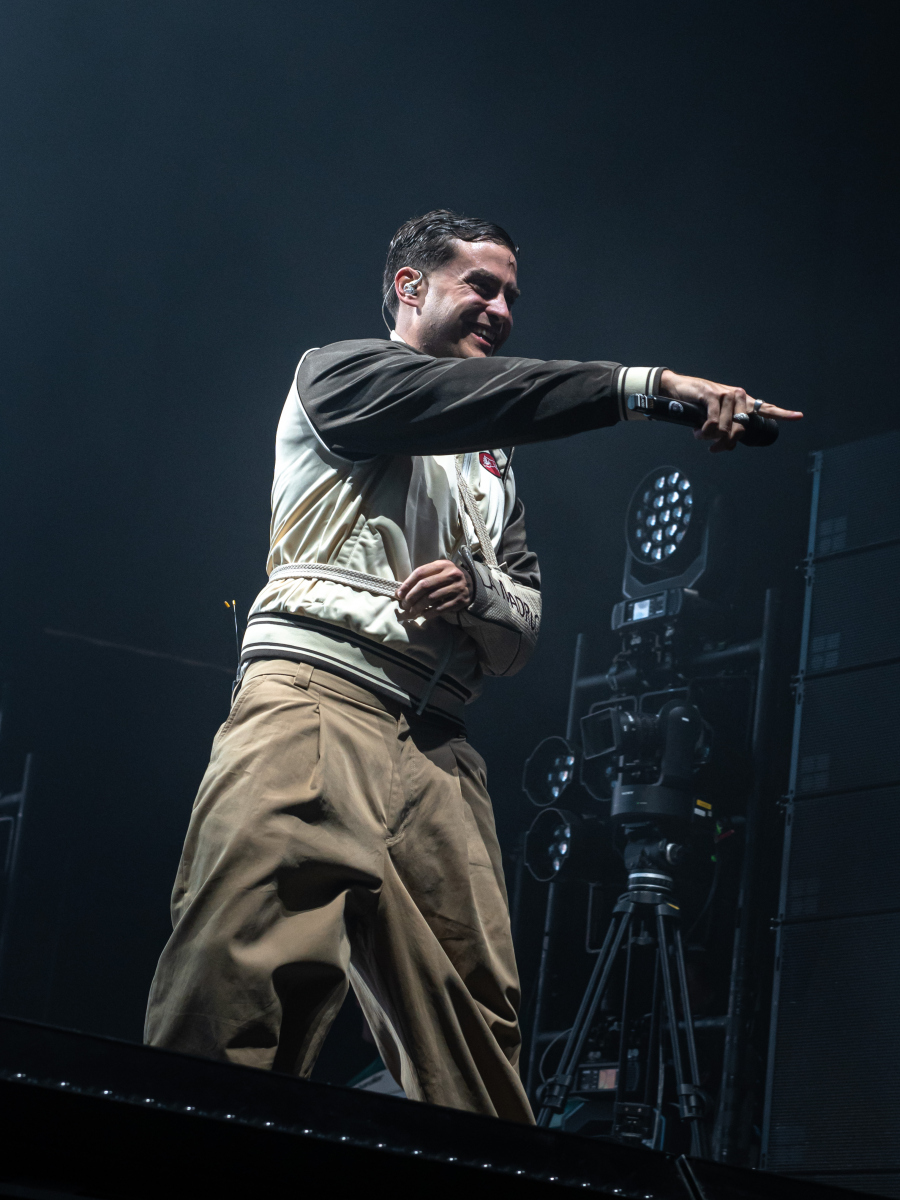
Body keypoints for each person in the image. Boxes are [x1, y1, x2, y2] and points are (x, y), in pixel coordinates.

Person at [145, 210, 801, 1123]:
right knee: (235, 992)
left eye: (510, 296)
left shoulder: (492, 465)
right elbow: (495, 396)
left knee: (478, 1029)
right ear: (409, 287)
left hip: (441, 755)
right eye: (480, 286)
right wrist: (650, 388)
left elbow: (524, 628)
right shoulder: (339, 374)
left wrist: (480, 591)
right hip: (316, 705)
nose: (501, 310)